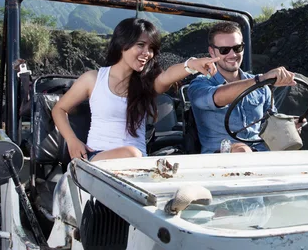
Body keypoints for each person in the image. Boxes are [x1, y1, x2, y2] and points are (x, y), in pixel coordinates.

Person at [52, 17, 219, 161]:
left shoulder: (146, 83)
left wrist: (191, 65)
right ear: (123, 43)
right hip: (98, 158)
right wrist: (72, 140)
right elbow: (59, 108)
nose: (147, 53)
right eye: (141, 45)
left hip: (136, 164)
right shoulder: (93, 79)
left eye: (151, 48)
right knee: (131, 153)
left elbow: (168, 76)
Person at [188, 21, 306, 154]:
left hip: (260, 154)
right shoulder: (200, 84)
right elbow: (217, 97)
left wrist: (288, 126)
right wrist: (259, 80)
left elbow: (269, 122)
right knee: (241, 151)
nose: (232, 55)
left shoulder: (261, 87)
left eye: (237, 48)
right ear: (212, 52)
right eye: (224, 50)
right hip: (218, 159)